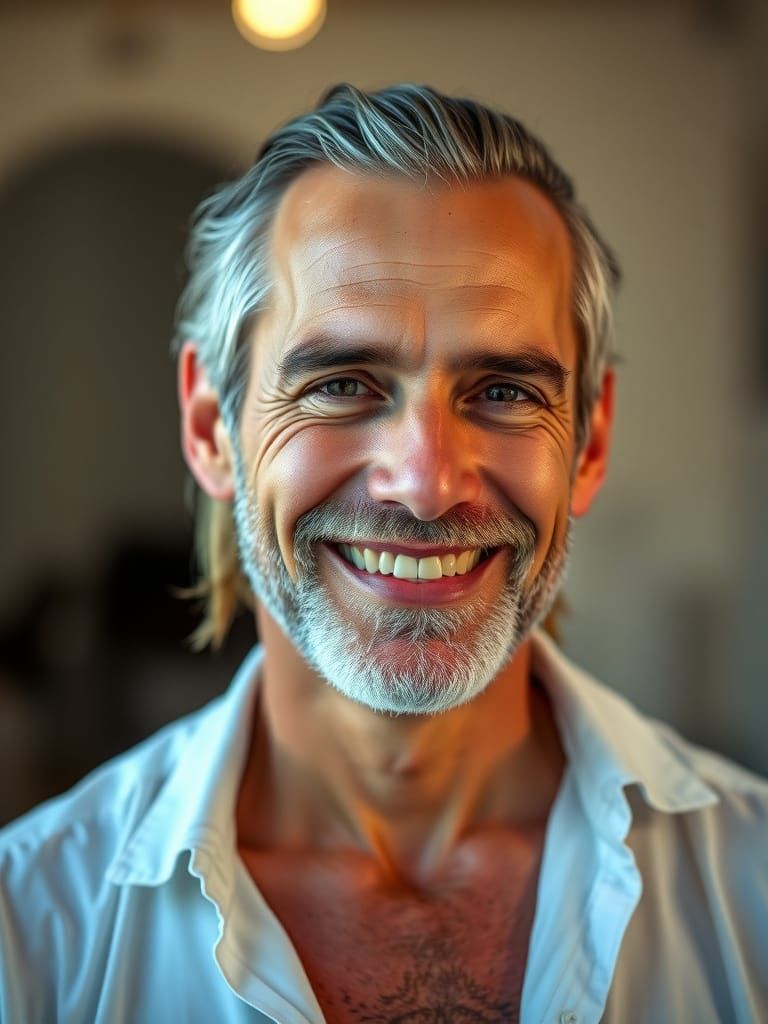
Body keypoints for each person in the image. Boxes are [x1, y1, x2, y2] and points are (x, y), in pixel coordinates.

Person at [0, 83, 765, 1024]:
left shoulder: (752, 890)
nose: (427, 483)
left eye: (503, 391)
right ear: (210, 426)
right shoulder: (30, 933)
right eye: (342, 383)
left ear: (591, 440)